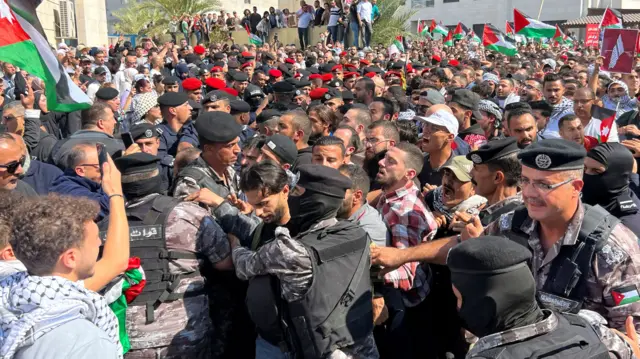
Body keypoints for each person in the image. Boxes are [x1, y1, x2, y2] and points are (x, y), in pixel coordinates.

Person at [230, 164, 379, 358]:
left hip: (306, 348)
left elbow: (243, 267)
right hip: (354, 342)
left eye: (297, 193)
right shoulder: (358, 234)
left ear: (314, 200)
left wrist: (234, 244)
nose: (291, 197)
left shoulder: (289, 250)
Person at [111, 153, 232, 358]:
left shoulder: (109, 225)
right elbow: (225, 263)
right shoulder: (187, 214)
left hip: (129, 339)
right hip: (183, 334)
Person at [449, 236, 637, 359]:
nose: (458, 307)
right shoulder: (589, 326)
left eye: (459, 298)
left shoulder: (485, 355)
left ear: (485, 302)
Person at [1, 191, 125, 358]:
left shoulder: (9, 299)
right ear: (71, 258)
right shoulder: (87, 342)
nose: (99, 243)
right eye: (95, 238)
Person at [173, 111, 241, 199]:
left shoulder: (227, 168)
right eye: (230, 146)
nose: (237, 150)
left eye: (237, 143)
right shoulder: (191, 182)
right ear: (209, 149)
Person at [583, 143, 640, 237]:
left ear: (619, 176)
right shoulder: (587, 194)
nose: (586, 175)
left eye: (596, 171)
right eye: (584, 168)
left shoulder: (628, 224)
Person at [467, 137, 523, 226]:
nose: (470, 173)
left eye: (476, 168)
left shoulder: (515, 217)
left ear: (497, 177)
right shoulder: (490, 208)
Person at [49, 142, 111, 222]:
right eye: (100, 167)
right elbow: (105, 207)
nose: (106, 170)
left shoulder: (92, 183)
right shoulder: (67, 190)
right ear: (81, 170)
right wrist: (112, 185)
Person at [50, 102, 124, 168]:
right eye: (112, 118)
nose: (115, 122)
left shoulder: (60, 146)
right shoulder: (119, 148)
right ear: (101, 123)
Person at [338, 163, 389, 246]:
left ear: (357, 196)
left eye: (338, 190)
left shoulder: (368, 231)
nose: (331, 193)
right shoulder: (332, 209)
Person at [417, 109, 456, 189]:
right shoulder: (417, 162)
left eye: (434, 128)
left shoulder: (458, 172)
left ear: (449, 137)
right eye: (426, 125)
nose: (425, 131)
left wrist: (439, 198)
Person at [156, 92, 196, 159]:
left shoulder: (193, 127)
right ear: (173, 111)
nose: (191, 108)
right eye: (186, 105)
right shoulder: (158, 135)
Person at [363, 120, 399, 189]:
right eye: (367, 140)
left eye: (373, 140)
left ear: (391, 144)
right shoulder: (369, 164)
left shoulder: (395, 175)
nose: (368, 145)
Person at [542, 73, 573, 139]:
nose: (552, 94)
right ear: (543, 90)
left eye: (556, 90)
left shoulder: (572, 110)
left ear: (564, 90)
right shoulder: (537, 109)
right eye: (549, 90)